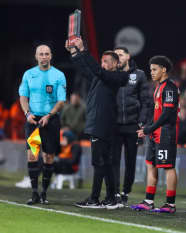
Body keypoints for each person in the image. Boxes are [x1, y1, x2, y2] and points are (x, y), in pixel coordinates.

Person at [65, 38, 128, 209]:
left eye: (106, 61)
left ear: (115, 63)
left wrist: (83, 50)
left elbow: (97, 70)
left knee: (98, 162)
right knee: (105, 162)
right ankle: (110, 198)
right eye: (102, 61)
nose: (102, 64)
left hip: (102, 124)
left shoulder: (118, 76)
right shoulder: (101, 77)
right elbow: (85, 69)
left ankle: (94, 199)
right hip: (98, 123)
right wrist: (75, 53)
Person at [131, 56, 180, 213]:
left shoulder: (170, 88)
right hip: (155, 133)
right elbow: (157, 112)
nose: (151, 72)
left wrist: (149, 129)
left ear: (163, 69)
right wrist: (147, 127)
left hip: (166, 133)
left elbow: (166, 114)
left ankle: (170, 204)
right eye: (150, 69)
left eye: (154, 69)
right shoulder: (159, 87)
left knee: (168, 167)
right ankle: (148, 200)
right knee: (150, 165)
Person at [18, 44, 66, 205]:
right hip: (33, 120)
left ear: (51, 56)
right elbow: (23, 97)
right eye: (41, 54)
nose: (44, 57)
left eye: (46, 54)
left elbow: (61, 100)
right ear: (36, 56)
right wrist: (27, 114)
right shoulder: (29, 74)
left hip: (51, 120)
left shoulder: (58, 75)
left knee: (48, 157)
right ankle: (34, 193)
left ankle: (44, 193)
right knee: (32, 155)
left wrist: (50, 115)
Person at [111, 46, 151, 205]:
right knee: (113, 160)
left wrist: (141, 123)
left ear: (128, 56)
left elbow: (145, 102)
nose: (118, 57)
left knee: (130, 161)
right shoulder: (111, 74)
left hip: (133, 125)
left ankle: (125, 191)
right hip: (115, 125)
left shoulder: (139, 75)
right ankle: (114, 190)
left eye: (120, 54)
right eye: (116, 55)